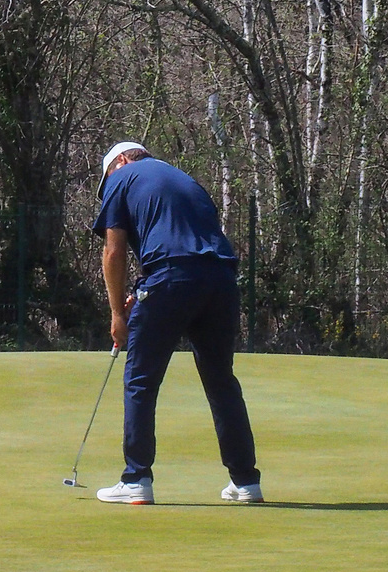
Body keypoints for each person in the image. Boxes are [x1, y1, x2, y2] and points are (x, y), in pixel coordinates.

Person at [91, 141, 262, 505]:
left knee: (140, 379)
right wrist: (144, 287)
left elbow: (114, 251)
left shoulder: (122, 178)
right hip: (221, 280)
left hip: (172, 279)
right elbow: (185, 244)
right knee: (220, 381)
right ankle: (246, 482)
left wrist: (118, 314)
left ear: (120, 161)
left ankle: (136, 479)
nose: (108, 191)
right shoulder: (186, 180)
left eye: (105, 183)